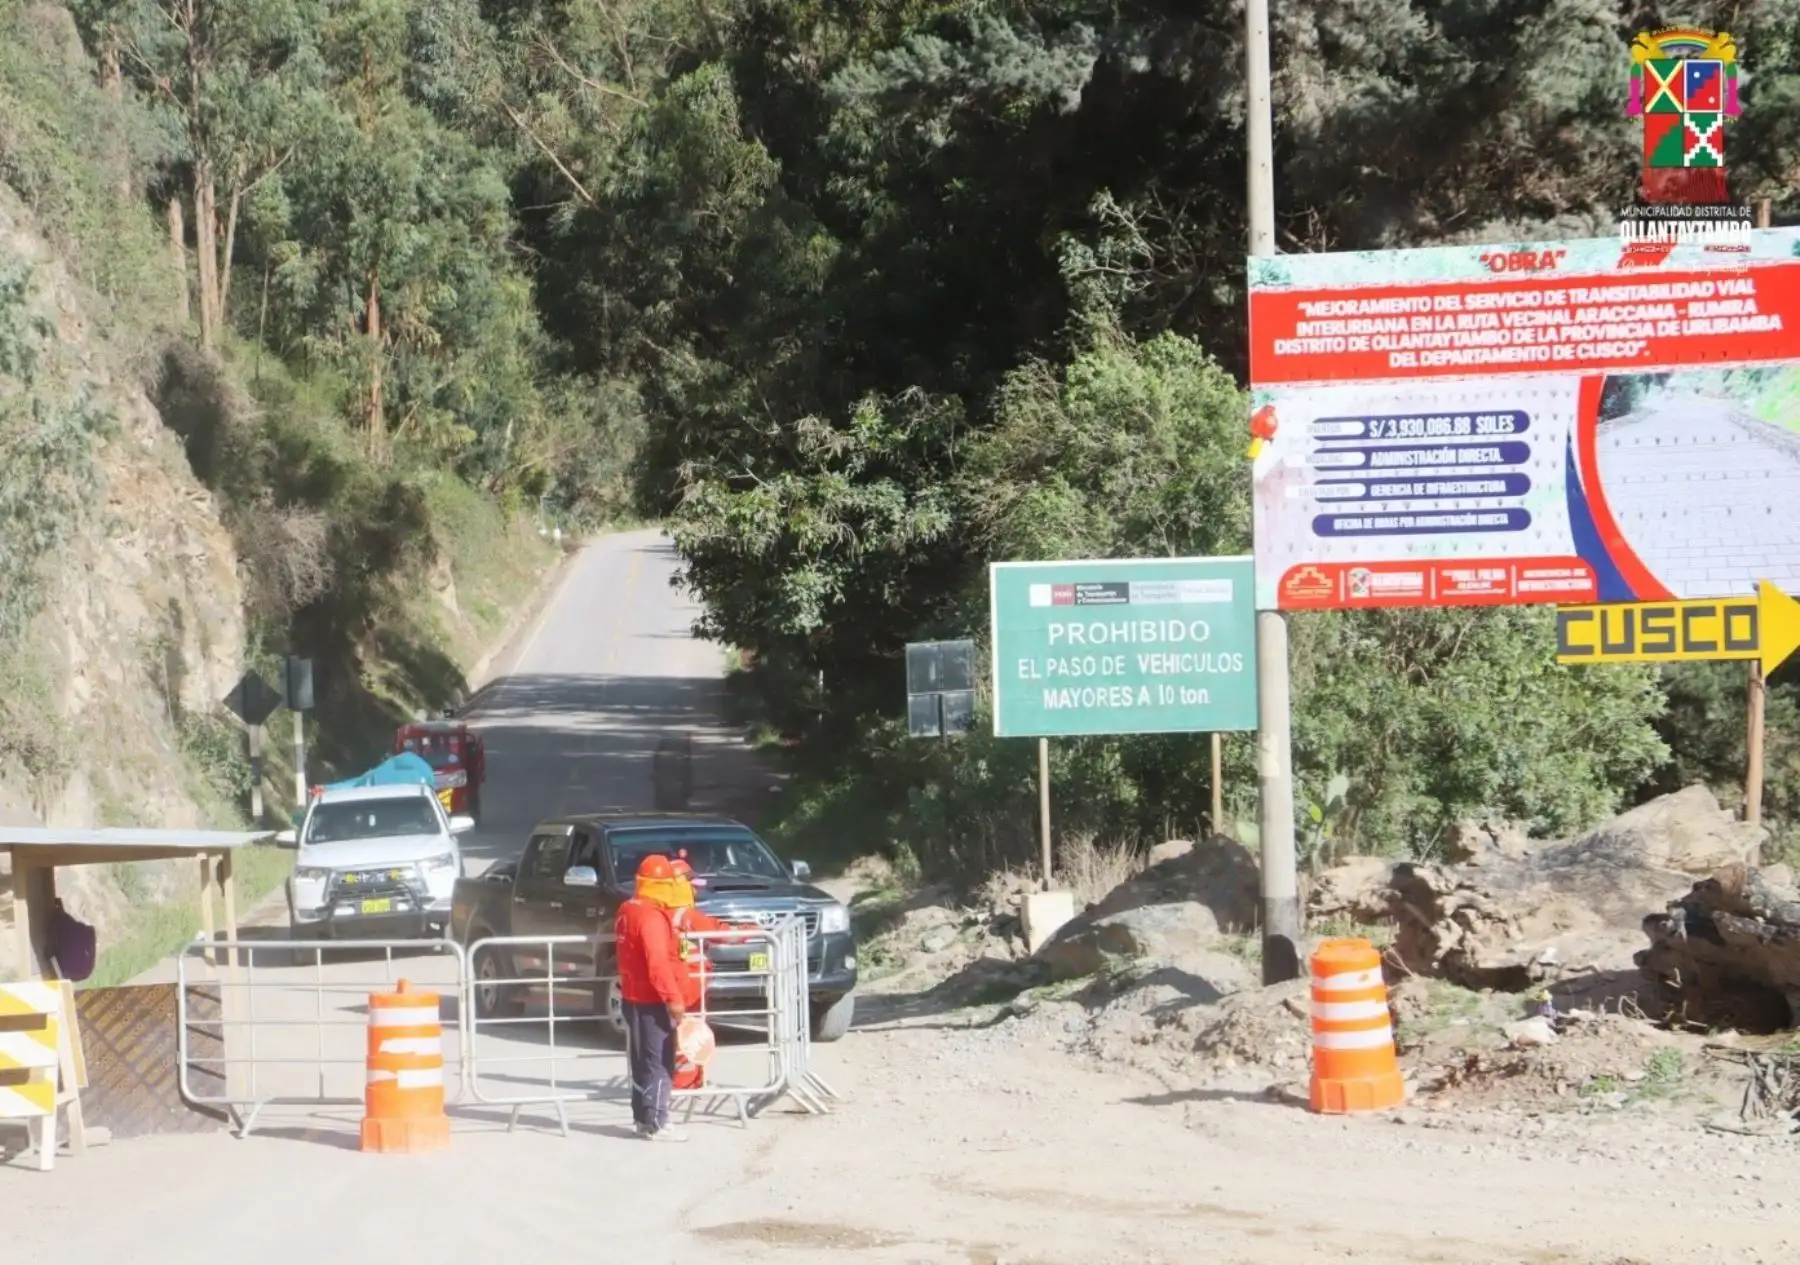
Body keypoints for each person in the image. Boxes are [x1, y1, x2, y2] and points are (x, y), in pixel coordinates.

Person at [613, 854, 689, 1141]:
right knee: (659, 1063)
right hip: (652, 1000)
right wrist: (673, 999)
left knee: (642, 1062)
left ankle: (643, 1119)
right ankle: (657, 1121)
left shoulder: (627, 909)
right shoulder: (652, 917)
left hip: (632, 997)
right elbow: (657, 963)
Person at [667, 856, 751, 1091]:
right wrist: (754, 930)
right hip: (689, 987)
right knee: (688, 1036)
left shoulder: (659, 914)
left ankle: (688, 1080)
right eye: (692, 886)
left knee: (678, 1034)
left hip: (674, 986)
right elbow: (722, 933)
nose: (696, 891)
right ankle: (685, 1082)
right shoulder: (686, 916)